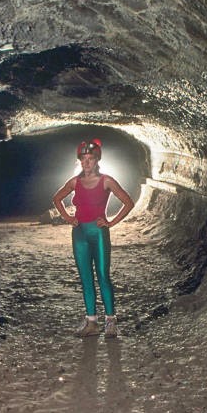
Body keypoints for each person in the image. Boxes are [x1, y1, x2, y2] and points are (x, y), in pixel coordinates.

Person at [52, 138, 135, 338]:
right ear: (80, 161)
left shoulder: (106, 180)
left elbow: (128, 202)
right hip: (79, 232)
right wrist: (67, 217)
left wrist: (111, 223)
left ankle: (111, 321)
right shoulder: (75, 182)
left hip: (98, 232)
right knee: (85, 278)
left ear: (97, 160)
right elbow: (56, 198)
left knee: (103, 275)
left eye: (90, 159)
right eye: (83, 159)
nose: (86, 162)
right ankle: (91, 322)